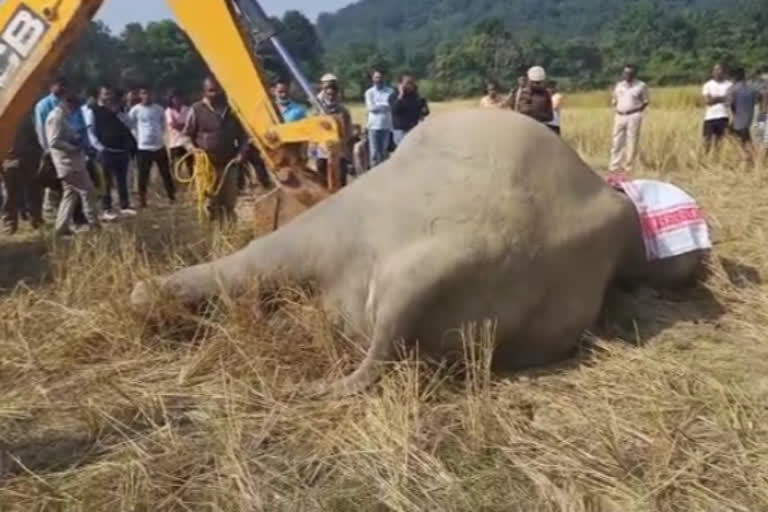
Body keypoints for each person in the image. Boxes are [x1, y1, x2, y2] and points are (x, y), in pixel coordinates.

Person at [184, 76, 250, 224]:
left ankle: (229, 232)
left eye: (218, 90)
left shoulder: (232, 109)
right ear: (204, 92)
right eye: (211, 91)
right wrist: (193, 150)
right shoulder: (196, 109)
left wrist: (241, 153)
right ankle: (212, 234)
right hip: (207, 166)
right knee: (210, 202)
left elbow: (244, 136)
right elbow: (186, 135)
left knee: (229, 202)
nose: (215, 94)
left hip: (230, 163)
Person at [45, 94, 100, 236]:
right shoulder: (56, 117)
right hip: (68, 163)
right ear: (66, 103)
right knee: (88, 191)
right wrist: (72, 147)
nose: (73, 110)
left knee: (70, 195)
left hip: (72, 162)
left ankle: (61, 227)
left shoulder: (62, 116)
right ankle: (94, 224)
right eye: (73, 106)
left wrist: (74, 137)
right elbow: (53, 141)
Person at [89, 85, 138, 220]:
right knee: (106, 182)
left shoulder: (119, 110)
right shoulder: (94, 111)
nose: (108, 97)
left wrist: (120, 113)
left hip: (121, 150)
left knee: (122, 180)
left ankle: (124, 206)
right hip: (105, 151)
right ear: (99, 95)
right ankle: (106, 209)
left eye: (110, 94)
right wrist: (99, 147)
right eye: (105, 94)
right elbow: (90, 131)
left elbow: (130, 124)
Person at [129, 86, 175, 207]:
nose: (147, 96)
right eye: (144, 93)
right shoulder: (135, 110)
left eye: (149, 93)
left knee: (165, 173)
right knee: (143, 175)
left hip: (159, 146)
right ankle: (142, 200)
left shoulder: (159, 109)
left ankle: (172, 197)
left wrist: (161, 137)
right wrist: (138, 137)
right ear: (140, 95)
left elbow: (163, 125)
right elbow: (131, 125)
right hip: (143, 147)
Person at [2, 113, 43, 234]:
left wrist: (36, 154)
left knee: (33, 191)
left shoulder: (26, 116)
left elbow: (35, 137)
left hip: (28, 158)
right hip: (9, 160)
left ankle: (36, 220)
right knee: (9, 195)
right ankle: (9, 224)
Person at [609, 64, 650, 173]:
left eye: (630, 73)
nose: (627, 75)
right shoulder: (619, 85)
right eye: (625, 73)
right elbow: (614, 100)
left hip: (633, 115)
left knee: (632, 141)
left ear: (635, 74)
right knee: (617, 141)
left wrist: (637, 111)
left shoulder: (641, 86)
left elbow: (645, 101)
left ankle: (628, 167)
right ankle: (614, 165)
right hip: (619, 115)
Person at [316, 80, 353, 186]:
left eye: (332, 94)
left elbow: (348, 132)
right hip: (323, 151)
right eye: (328, 94)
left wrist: (345, 147)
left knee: (341, 181)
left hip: (339, 152)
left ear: (336, 94)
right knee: (322, 180)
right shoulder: (319, 111)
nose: (330, 97)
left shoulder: (343, 111)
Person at [727, 67, 760, 165]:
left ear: (734, 77)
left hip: (739, 120)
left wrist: (732, 119)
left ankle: (746, 158)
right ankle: (751, 159)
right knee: (748, 140)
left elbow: (731, 105)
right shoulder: (753, 88)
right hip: (752, 118)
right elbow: (757, 101)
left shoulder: (732, 89)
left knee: (732, 136)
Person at [364, 69, 395, 167]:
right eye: (376, 77)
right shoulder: (369, 92)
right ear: (372, 79)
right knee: (374, 153)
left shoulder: (390, 91)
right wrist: (385, 106)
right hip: (373, 126)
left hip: (386, 126)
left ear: (384, 78)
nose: (379, 79)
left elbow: (392, 106)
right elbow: (371, 108)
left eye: (380, 77)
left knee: (384, 153)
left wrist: (379, 106)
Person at [701, 63, 732, 154]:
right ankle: (705, 161)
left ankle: (717, 162)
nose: (718, 72)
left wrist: (715, 98)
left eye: (720, 69)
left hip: (723, 116)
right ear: (712, 72)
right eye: (715, 70)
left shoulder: (729, 84)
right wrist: (723, 98)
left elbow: (730, 100)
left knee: (719, 143)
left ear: (723, 71)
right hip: (710, 117)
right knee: (706, 142)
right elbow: (708, 101)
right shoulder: (708, 85)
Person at [391, 74, 430, 146]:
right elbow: (394, 110)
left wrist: (422, 112)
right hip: (400, 130)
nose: (410, 85)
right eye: (407, 83)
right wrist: (401, 95)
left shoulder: (416, 96)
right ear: (400, 84)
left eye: (411, 83)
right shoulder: (394, 96)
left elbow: (425, 111)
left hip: (413, 128)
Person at [165, 89, 192, 179]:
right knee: (176, 167)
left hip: (187, 142)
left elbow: (191, 124)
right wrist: (184, 125)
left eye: (179, 97)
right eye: (174, 98)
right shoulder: (168, 111)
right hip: (175, 142)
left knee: (190, 164)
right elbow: (173, 124)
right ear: (171, 99)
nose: (177, 100)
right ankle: (177, 183)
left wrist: (182, 125)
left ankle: (192, 182)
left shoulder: (188, 109)